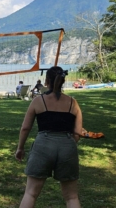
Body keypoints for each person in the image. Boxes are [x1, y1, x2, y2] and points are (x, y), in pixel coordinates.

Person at [15, 66, 83, 208]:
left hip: (43, 145)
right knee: (71, 197)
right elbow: (77, 132)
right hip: (67, 146)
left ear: (46, 81)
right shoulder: (73, 103)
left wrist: (20, 148)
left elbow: (25, 128)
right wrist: (68, 143)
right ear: (63, 81)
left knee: (31, 194)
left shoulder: (38, 101)